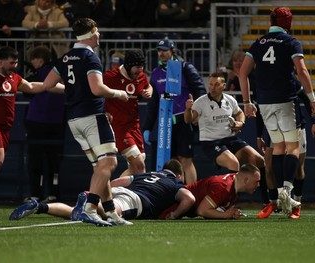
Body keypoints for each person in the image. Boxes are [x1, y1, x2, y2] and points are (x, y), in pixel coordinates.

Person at [42, 18, 131, 227]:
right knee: (109, 163)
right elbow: (97, 89)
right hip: (92, 116)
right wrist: (119, 93)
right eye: (97, 31)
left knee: (101, 167)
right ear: (91, 35)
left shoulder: (65, 57)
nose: (99, 35)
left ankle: (110, 212)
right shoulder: (90, 57)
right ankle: (90, 208)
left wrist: (73, 91)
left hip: (74, 120)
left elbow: (48, 85)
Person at [238, 7, 315, 215]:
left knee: (279, 148)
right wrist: (312, 98)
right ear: (288, 23)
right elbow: (301, 71)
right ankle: (286, 190)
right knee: (293, 147)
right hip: (285, 100)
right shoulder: (291, 42)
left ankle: (281, 192)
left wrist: (247, 102)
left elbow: (242, 73)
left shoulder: (258, 43)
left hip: (264, 104)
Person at [0, 46, 57, 216]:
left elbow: (32, 86)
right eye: (11, 62)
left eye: (16, 62)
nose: (15, 65)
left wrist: (68, 89)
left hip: (5, 127)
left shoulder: (14, 78)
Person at [9, 159, 195, 221]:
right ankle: (91, 201)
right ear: (178, 175)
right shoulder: (175, 183)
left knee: (79, 211)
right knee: (108, 214)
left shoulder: (147, 174)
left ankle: (40, 206)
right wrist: (175, 215)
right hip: (135, 200)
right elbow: (190, 198)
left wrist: (104, 191)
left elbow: (119, 181)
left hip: (124, 191)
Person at [143, 38, 206, 184]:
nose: (161, 54)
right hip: (165, 122)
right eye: (159, 50)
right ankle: (170, 194)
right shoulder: (156, 73)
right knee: (168, 161)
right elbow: (153, 102)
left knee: (185, 159)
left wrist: (197, 114)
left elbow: (200, 90)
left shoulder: (185, 67)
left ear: (173, 51)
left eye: (165, 50)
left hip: (184, 120)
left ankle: (191, 194)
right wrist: (147, 127)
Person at [256, 85, 315, 219]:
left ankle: (296, 205)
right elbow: (259, 109)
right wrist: (259, 135)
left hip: (296, 125)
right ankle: (274, 202)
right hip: (274, 127)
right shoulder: (263, 81)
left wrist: (314, 123)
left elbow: (306, 99)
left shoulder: (290, 80)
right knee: (268, 166)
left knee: (298, 167)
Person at [184, 72, 266, 178]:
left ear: (224, 86)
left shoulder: (230, 99)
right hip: (211, 143)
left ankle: (268, 194)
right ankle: (232, 194)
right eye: (211, 84)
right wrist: (188, 109)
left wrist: (240, 123)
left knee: (259, 160)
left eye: (217, 84)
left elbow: (239, 113)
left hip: (231, 139)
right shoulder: (201, 102)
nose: (212, 88)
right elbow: (188, 120)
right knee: (234, 164)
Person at [24, 45, 66, 203]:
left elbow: (26, 90)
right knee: (54, 161)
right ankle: (54, 194)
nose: (32, 62)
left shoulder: (37, 75)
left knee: (36, 159)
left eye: (33, 59)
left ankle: (36, 193)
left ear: (39, 60)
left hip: (37, 122)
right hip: (56, 123)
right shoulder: (58, 73)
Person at [103, 49, 153, 177]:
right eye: (137, 68)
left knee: (137, 169)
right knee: (139, 164)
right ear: (128, 65)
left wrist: (149, 91)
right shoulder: (110, 77)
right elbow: (95, 92)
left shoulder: (140, 76)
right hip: (119, 127)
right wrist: (104, 111)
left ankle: (113, 192)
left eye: (141, 68)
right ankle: (111, 193)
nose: (139, 72)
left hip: (134, 125)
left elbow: (148, 86)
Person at [159, 163, 260, 219]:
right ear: (246, 180)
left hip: (181, 205)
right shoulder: (223, 187)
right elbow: (202, 210)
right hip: (170, 205)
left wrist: (231, 213)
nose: (258, 185)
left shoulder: (234, 185)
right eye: (256, 181)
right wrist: (226, 215)